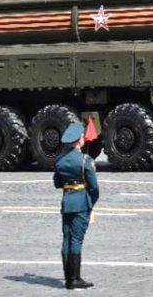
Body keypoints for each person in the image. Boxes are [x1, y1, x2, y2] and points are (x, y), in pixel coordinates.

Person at [53, 122, 100, 290]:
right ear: (78, 140)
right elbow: (94, 188)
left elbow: (57, 183)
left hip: (66, 202)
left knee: (66, 238)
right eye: (82, 137)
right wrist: (90, 204)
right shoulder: (84, 160)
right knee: (76, 240)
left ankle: (68, 277)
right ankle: (74, 279)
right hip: (81, 202)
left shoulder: (59, 160)